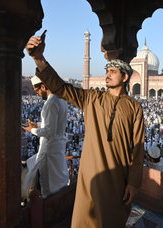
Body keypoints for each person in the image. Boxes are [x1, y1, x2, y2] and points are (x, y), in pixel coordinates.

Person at [26, 34, 145, 228]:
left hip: (118, 178)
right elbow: (61, 88)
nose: (107, 74)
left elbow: (138, 148)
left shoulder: (134, 108)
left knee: (112, 219)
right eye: (107, 70)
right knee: (85, 220)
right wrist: (39, 58)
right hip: (91, 174)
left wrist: (134, 182)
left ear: (124, 77)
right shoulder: (92, 99)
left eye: (113, 71)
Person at [21, 76, 69, 198]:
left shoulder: (50, 103)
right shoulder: (60, 99)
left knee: (48, 185)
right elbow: (55, 125)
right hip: (57, 148)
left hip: (49, 150)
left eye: (37, 91)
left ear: (43, 86)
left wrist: (31, 130)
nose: (37, 94)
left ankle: (49, 212)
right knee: (58, 180)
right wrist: (36, 124)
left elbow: (49, 131)